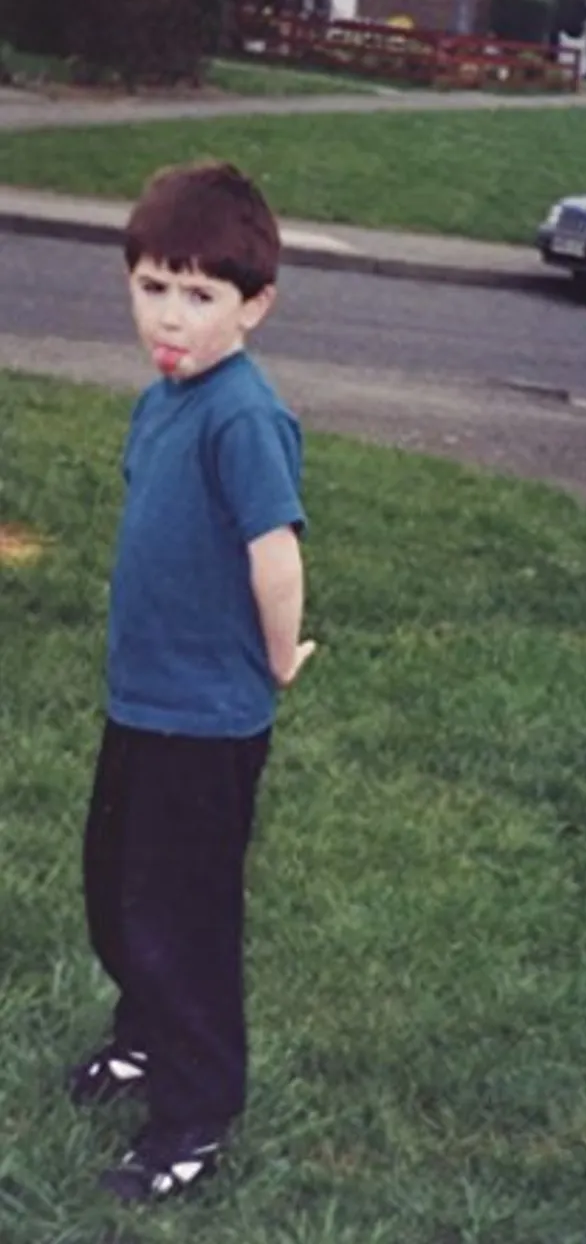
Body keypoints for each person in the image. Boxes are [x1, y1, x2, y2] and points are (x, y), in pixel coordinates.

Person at [69, 160, 315, 1203]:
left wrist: (276, 655)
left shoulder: (242, 417)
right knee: (117, 892)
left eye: (201, 295)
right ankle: (143, 1033)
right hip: (141, 705)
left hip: (207, 723)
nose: (171, 316)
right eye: (153, 287)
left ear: (253, 306)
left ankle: (195, 1108)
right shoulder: (159, 400)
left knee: (185, 914)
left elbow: (275, 553)